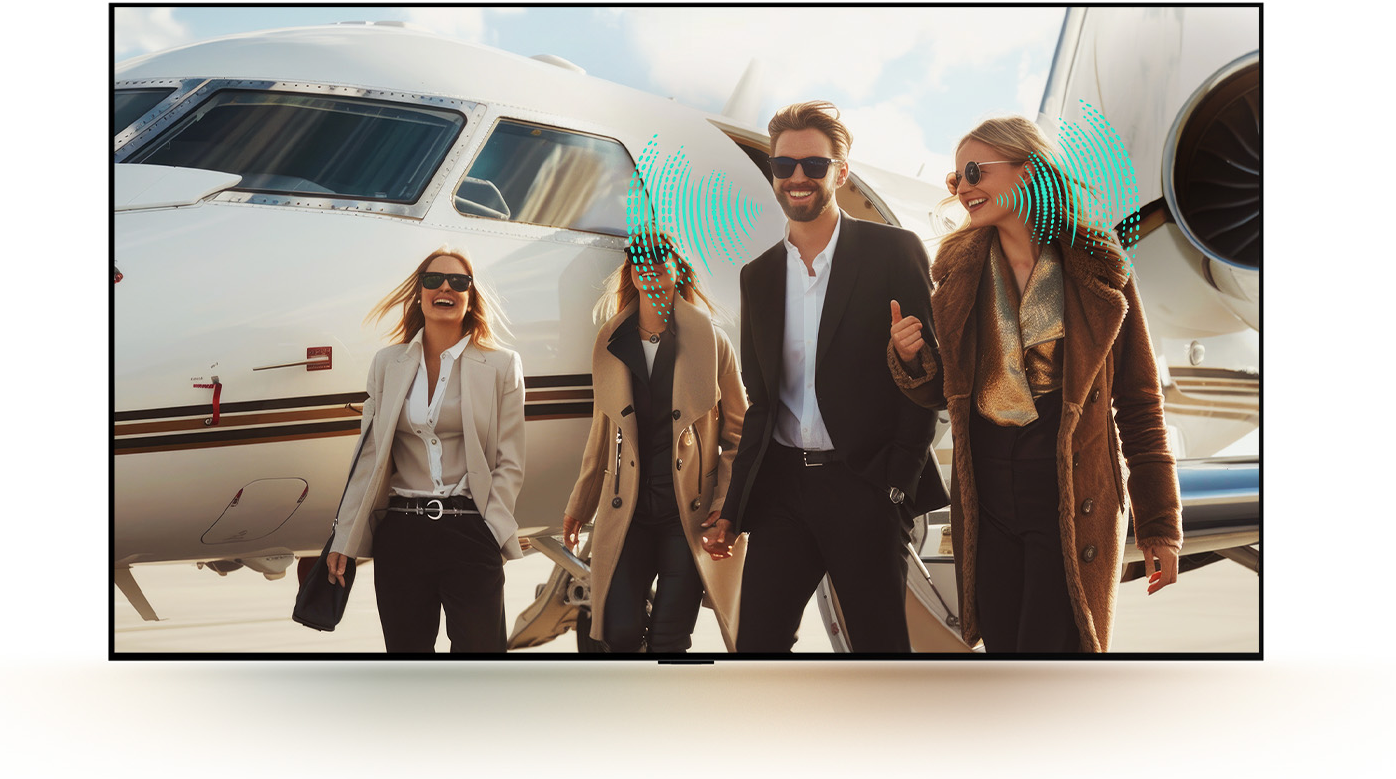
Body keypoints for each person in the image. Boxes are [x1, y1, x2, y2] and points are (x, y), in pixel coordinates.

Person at [888, 116, 1182, 653]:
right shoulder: (955, 276)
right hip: (989, 502)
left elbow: (1140, 405)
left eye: (975, 171)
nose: (964, 189)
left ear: (1029, 172)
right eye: (956, 180)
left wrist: (1160, 525)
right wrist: (913, 359)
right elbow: (946, 395)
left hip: (1071, 496)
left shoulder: (1102, 270)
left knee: (1053, 659)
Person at [702, 101, 948, 652]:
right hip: (783, 490)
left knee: (879, 648)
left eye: (814, 166)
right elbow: (761, 404)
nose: (797, 178)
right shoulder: (758, 276)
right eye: (783, 165)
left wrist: (894, 487)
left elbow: (927, 384)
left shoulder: (895, 252)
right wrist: (735, 507)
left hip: (865, 485)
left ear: (840, 170)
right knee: (756, 646)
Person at [325, 247, 526, 653]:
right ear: (419, 293)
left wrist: (491, 527)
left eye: (459, 282)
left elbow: (510, 461)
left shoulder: (502, 365)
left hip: (470, 529)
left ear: (470, 298)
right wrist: (343, 537)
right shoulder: (387, 364)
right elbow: (368, 457)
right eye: (434, 280)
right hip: (402, 535)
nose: (446, 288)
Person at [562, 231, 748, 652]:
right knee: (621, 629)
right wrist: (580, 503)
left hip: (688, 517)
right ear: (630, 270)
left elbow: (739, 433)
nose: (648, 265)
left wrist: (725, 504)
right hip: (627, 511)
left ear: (676, 268)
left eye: (659, 257)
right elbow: (603, 431)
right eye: (638, 259)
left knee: (670, 637)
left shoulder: (712, 341)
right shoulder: (610, 341)